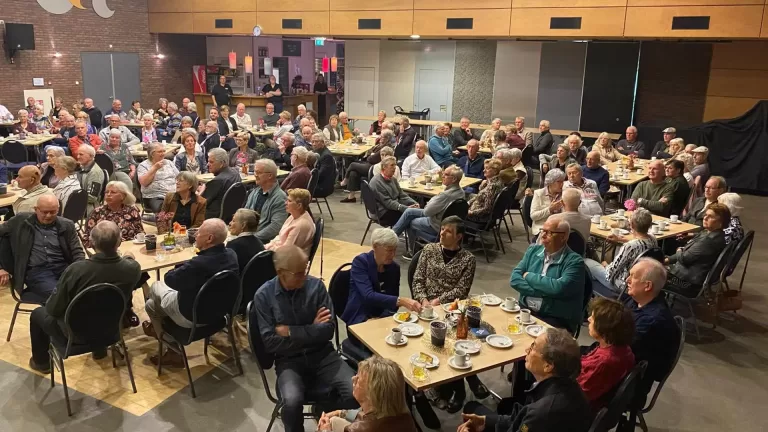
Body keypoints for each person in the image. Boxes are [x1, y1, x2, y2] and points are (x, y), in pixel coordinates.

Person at [253, 245, 358, 432]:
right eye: (299, 273)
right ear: (280, 273)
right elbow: (270, 343)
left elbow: (328, 331)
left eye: (305, 269)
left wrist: (290, 331)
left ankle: (329, 417)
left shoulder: (315, 286)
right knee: (292, 402)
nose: (305, 276)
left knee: (355, 392)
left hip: (324, 355)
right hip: (289, 361)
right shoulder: (264, 295)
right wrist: (312, 328)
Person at [27, 220, 142, 373]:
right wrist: (129, 257)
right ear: (119, 242)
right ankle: (99, 351)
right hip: (112, 329)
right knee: (100, 308)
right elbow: (127, 263)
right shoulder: (132, 268)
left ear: (91, 243)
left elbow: (54, 309)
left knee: (37, 314)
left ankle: (41, 363)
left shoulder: (76, 270)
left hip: (75, 334)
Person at [411, 217, 489, 410]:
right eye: (442, 229)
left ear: (459, 237)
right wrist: (424, 300)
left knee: (456, 339)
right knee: (440, 341)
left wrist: (439, 301)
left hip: (450, 309)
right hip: (426, 308)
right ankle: (468, 382)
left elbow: (462, 290)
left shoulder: (468, 259)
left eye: (448, 231)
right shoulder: (429, 250)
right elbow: (417, 279)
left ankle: (461, 386)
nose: (442, 233)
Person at [143, 219, 239, 365]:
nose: (195, 236)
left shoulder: (198, 265)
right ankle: (162, 335)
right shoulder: (232, 255)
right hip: (220, 314)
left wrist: (182, 265)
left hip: (191, 317)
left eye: (199, 232)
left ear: (209, 238)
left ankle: (172, 347)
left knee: (156, 286)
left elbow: (170, 279)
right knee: (151, 305)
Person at [461, 328, 591, 432]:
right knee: (475, 412)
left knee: (470, 408)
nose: (527, 350)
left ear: (548, 366)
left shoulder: (541, 413)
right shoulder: (569, 385)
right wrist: (485, 421)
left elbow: (525, 421)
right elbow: (519, 419)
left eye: (533, 347)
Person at [0, 195, 85, 303]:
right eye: (44, 212)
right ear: (36, 209)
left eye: (53, 212)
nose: (49, 216)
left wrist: (81, 270)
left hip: (64, 269)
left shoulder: (67, 225)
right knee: (62, 296)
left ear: (58, 210)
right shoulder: (20, 221)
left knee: (85, 292)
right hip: (37, 272)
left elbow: (77, 252)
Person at [511, 218, 585, 333]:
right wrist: (545, 291)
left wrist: (528, 276)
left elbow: (558, 289)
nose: (543, 236)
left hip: (555, 319)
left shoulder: (575, 262)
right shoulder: (533, 251)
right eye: (542, 231)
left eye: (549, 232)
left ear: (563, 237)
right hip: (526, 310)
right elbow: (515, 279)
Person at [623, 258, 680, 399]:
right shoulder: (636, 300)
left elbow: (619, 351)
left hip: (630, 385)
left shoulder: (651, 321)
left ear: (647, 286)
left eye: (633, 277)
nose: (627, 280)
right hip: (623, 365)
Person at [343, 228, 420, 329]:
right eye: (389, 250)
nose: (393, 255)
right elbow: (368, 295)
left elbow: (392, 304)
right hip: (359, 317)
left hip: (383, 318)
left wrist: (383, 318)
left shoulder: (394, 268)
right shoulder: (361, 263)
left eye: (394, 250)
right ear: (375, 246)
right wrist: (401, 301)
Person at [318, 356, 419, 432]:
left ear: (372, 395)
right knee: (334, 420)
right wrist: (341, 412)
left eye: (358, 380)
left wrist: (325, 430)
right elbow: (368, 417)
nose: (353, 378)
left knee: (328, 423)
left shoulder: (358, 430)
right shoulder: (405, 417)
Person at [392, 165, 466, 258]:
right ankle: (392, 238)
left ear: (454, 179)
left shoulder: (445, 195)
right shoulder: (461, 192)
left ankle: (410, 251)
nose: (442, 175)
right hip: (448, 223)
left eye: (446, 174)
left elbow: (427, 212)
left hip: (436, 224)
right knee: (409, 211)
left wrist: (430, 202)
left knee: (410, 221)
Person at [577, 297, 635, 410]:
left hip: (581, 408)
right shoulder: (623, 349)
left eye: (593, 318)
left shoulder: (604, 362)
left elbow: (577, 394)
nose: (588, 319)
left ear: (604, 328)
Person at [585, 208, 656, 298]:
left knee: (585, 262)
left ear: (632, 225)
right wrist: (621, 239)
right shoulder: (653, 239)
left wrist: (606, 265)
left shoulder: (629, 246)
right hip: (642, 282)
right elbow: (641, 242)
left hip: (623, 285)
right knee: (594, 272)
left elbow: (610, 273)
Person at [665, 203, 730, 296]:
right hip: (694, 275)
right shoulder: (717, 234)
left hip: (687, 283)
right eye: (706, 215)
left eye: (710, 216)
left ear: (721, 222)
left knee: (650, 273)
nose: (705, 218)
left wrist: (679, 250)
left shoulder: (708, 242)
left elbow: (684, 258)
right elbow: (700, 235)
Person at [83, 181, 143, 247]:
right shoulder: (97, 212)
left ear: (123, 196)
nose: (108, 194)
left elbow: (140, 233)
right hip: (104, 251)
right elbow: (87, 238)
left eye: (113, 192)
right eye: (106, 192)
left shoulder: (132, 211)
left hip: (129, 248)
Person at [339, 130, 394, 203]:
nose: (380, 137)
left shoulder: (386, 148)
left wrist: (371, 155)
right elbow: (370, 153)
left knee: (352, 164)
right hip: (369, 164)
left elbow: (371, 158)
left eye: (382, 137)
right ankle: (351, 197)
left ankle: (345, 180)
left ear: (387, 138)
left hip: (373, 167)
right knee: (353, 172)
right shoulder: (381, 144)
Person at [245, 159, 289, 242]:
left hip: (263, 242)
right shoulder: (255, 192)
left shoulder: (280, 198)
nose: (255, 175)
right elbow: (245, 213)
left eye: (258, 172)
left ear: (270, 176)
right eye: (255, 172)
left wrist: (252, 239)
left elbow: (275, 227)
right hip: (249, 235)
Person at [369, 156, 419, 226]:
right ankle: (399, 233)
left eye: (395, 165)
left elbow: (402, 195)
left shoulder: (393, 179)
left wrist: (414, 203)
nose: (395, 167)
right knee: (410, 217)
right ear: (384, 167)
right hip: (382, 212)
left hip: (392, 207)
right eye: (392, 165)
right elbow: (387, 202)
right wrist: (405, 208)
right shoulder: (377, 182)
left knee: (416, 211)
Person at [264, 188, 316, 255]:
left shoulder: (301, 225)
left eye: (289, 201)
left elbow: (286, 252)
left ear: (299, 205)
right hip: (277, 253)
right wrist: (268, 245)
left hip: (288, 262)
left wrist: (267, 247)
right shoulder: (293, 216)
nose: (285, 203)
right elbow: (280, 237)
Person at [196, 147, 239, 220]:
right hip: (231, 215)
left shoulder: (217, 181)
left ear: (221, 164)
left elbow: (199, 204)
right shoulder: (235, 173)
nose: (207, 165)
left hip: (212, 217)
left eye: (211, 162)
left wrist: (200, 192)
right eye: (208, 161)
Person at [138, 142, 179, 214]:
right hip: (155, 196)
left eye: (164, 151)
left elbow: (179, 177)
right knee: (164, 209)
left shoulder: (169, 163)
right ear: (152, 154)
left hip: (174, 194)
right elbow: (144, 182)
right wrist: (154, 168)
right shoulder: (143, 165)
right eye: (160, 152)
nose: (163, 154)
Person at [226, 208, 264, 273]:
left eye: (233, 221)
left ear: (243, 225)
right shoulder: (260, 243)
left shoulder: (233, 245)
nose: (230, 223)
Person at [530, 169, 566, 236]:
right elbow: (533, 216)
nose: (562, 184)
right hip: (543, 227)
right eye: (559, 182)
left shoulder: (565, 194)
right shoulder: (539, 194)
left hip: (560, 227)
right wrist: (549, 209)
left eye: (562, 182)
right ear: (550, 182)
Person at [74, 144, 107, 215]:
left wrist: (72, 196)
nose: (78, 157)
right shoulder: (82, 167)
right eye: (78, 154)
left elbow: (92, 197)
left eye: (81, 154)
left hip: (87, 208)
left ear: (91, 156)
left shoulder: (95, 172)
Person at [312, 133, 337, 199]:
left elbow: (321, 175)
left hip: (323, 187)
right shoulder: (317, 152)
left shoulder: (326, 156)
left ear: (323, 143)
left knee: (297, 188)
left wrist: (308, 178)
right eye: (313, 141)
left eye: (316, 142)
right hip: (319, 184)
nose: (314, 144)